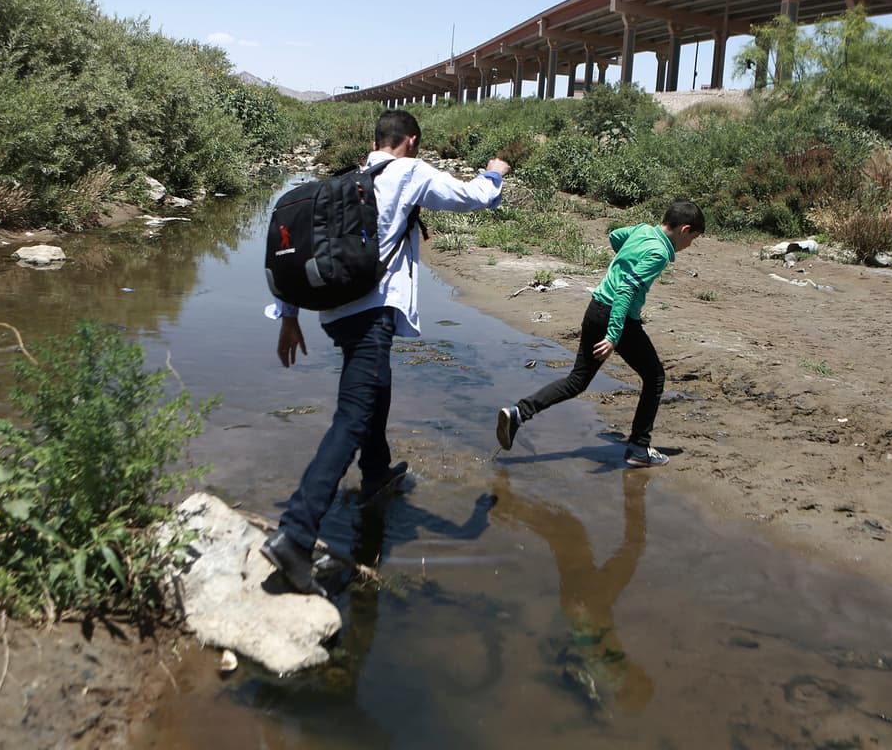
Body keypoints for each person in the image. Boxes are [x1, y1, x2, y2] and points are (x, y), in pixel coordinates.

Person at [262, 109, 511, 595]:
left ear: (376, 140)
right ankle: (295, 533)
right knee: (353, 414)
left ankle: (375, 476)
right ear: (411, 141)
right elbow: (473, 197)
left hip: (334, 311)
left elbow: (302, 245)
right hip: (373, 313)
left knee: (376, 389)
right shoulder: (408, 172)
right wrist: (495, 172)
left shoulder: (346, 181)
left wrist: (288, 316)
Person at [495, 200, 705, 468]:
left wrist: (625, 260)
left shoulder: (642, 230)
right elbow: (627, 290)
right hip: (618, 318)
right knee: (654, 377)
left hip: (596, 308)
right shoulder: (660, 253)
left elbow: (615, 236)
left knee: (577, 380)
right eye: (693, 238)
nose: (690, 245)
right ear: (685, 229)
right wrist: (614, 336)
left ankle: (519, 413)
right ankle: (639, 449)